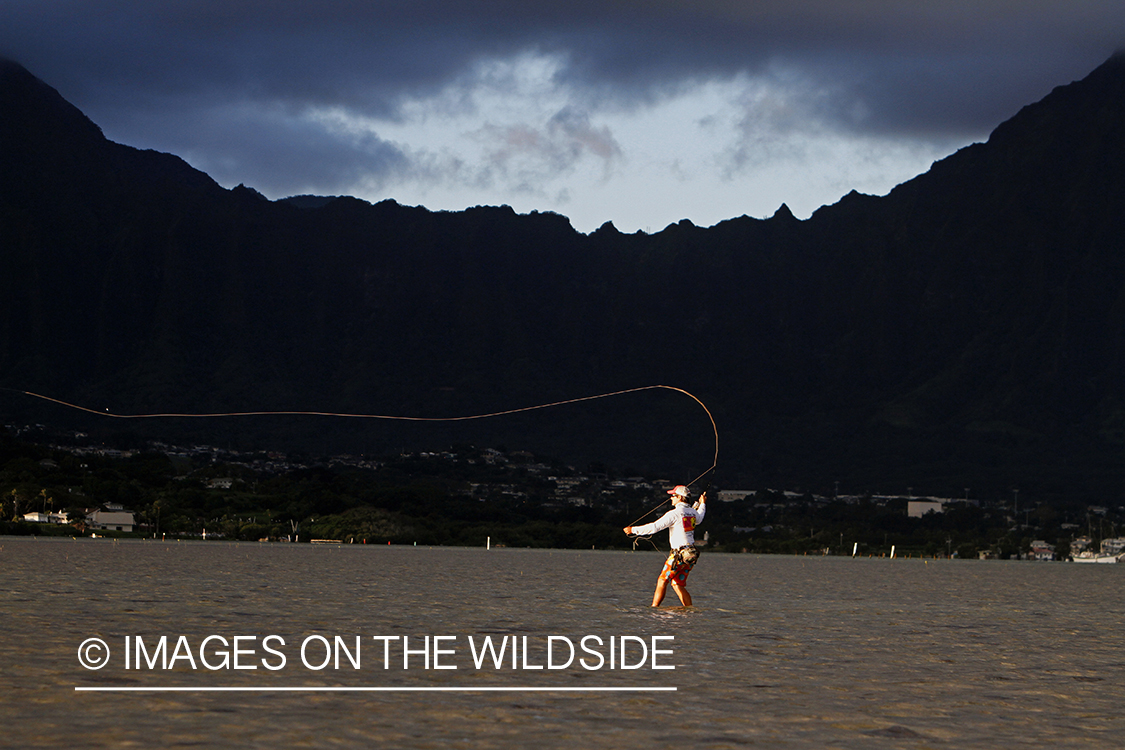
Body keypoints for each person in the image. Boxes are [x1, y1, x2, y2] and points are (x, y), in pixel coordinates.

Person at [624, 485, 706, 607]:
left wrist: (632, 530)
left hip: (678, 554)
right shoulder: (693, 512)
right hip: (691, 555)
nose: (671, 498)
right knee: (677, 583)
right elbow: (700, 517)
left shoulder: (674, 513)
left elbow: (654, 528)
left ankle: (654, 609)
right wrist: (703, 504)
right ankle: (689, 610)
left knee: (662, 580)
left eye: (673, 496)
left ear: (679, 498)